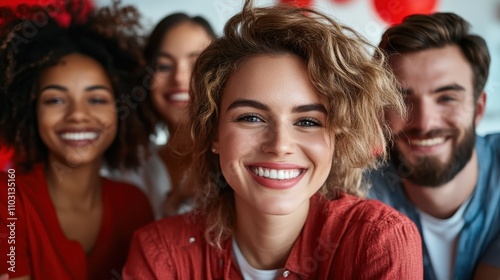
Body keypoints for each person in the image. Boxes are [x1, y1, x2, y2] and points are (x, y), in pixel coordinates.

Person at [122, 1, 423, 279]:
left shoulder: (379, 241)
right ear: (214, 132)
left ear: (337, 135)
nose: (279, 145)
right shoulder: (160, 252)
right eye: (251, 117)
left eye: (307, 121)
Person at [0, 3, 155, 279]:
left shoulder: (134, 205)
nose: (77, 115)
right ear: (31, 111)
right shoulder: (7, 197)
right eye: (56, 100)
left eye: (96, 99)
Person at [367, 12, 500, 280]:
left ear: (478, 109)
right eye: (403, 100)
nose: (425, 123)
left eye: (447, 98)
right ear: (381, 112)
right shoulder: (355, 196)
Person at [102, 12, 216, 218]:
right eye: (163, 66)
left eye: (196, 64)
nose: (179, 79)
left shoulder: (238, 162)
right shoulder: (131, 167)